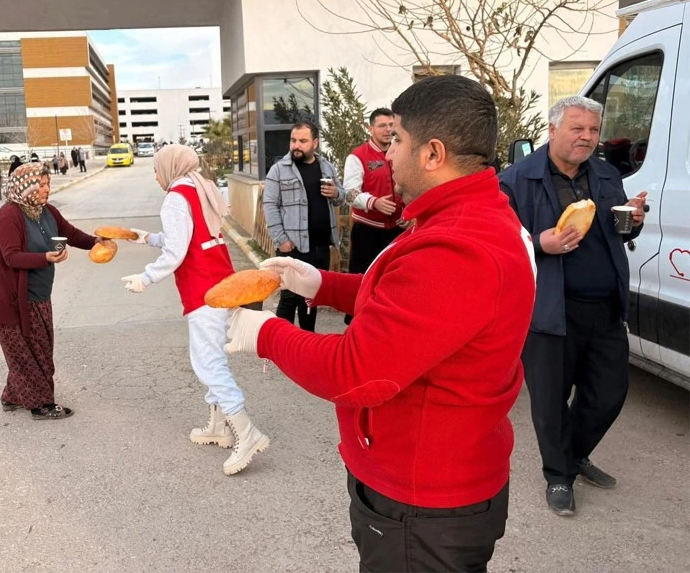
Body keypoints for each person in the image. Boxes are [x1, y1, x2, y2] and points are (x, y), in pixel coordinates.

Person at [224, 76, 537, 572]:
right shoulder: (468, 216)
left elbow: (355, 371)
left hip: (422, 500)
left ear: (432, 154)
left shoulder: (459, 247)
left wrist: (265, 334)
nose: (387, 155)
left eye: (397, 141)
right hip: (430, 483)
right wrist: (321, 284)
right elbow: (410, 303)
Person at [498, 95, 647, 517]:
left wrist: (633, 221)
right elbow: (498, 244)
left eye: (593, 130)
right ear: (552, 130)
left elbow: (615, 232)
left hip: (605, 307)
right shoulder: (516, 179)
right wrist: (539, 243)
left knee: (608, 394)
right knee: (551, 400)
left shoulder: (605, 173)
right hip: (549, 309)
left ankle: (574, 454)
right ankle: (559, 476)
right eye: (577, 128)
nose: (587, 137)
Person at [121, 145, 269, 475]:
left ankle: (246, 433)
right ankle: (218, 427)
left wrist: (146, 278)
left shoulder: (176, 197)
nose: (155, 176)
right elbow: (190, 237)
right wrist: (148, 238)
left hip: (201, 290)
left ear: (170, 167)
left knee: (208, 363)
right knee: (211, 357)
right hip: (221, 283)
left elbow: (176, 251)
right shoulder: (200, 188)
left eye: (156, 169)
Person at [0, 163, 101, 419]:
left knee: (35, 349)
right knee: (29, 353)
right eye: (42, 185)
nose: (47, 189)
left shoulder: (46, 211)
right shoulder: (9, 215)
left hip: (39, 294)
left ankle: (12, 396)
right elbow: (11, 257)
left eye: (48, 184)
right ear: (26, 187)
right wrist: (45, 257)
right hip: (14, 298)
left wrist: (96, 242)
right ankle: (42, 405)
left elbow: (70, 234)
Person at [263, 121, 345, 331]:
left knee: (311, 298)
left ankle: (308, 340)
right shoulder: (278, 170)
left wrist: (336, 193)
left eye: (302, 141)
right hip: (293, 246)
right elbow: (270, 205)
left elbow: (341, 197)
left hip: (320, 246)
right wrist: (281, 239)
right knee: (289, 297)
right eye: (293, 140)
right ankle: (281, 341)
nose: (296, 145)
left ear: (315, 143)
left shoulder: (326, 167)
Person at [342, 107, 406, 324]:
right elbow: (349, 193)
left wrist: (410, 213)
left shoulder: (402, 151)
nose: (387, 130)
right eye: (382, 126)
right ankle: (356, 325)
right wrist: (374, 202)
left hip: (398, 230)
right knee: (362, 282)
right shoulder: (357, 156)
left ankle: (389, 324)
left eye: (391, 125)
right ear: (370, 129)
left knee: (394, 283)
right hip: (368, 231)